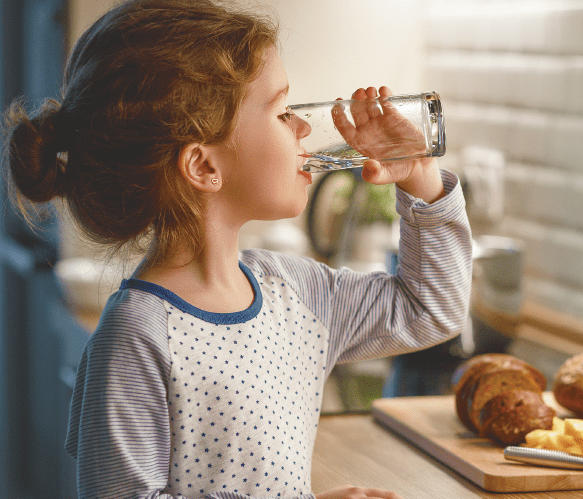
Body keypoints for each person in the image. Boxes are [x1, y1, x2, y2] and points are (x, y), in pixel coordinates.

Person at [1, 1, 472, 498]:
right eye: (281, 111)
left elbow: (429, 309)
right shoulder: (137, 340)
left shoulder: (297, 291)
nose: (305, 129)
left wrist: (422, 182)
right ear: (204, 167)